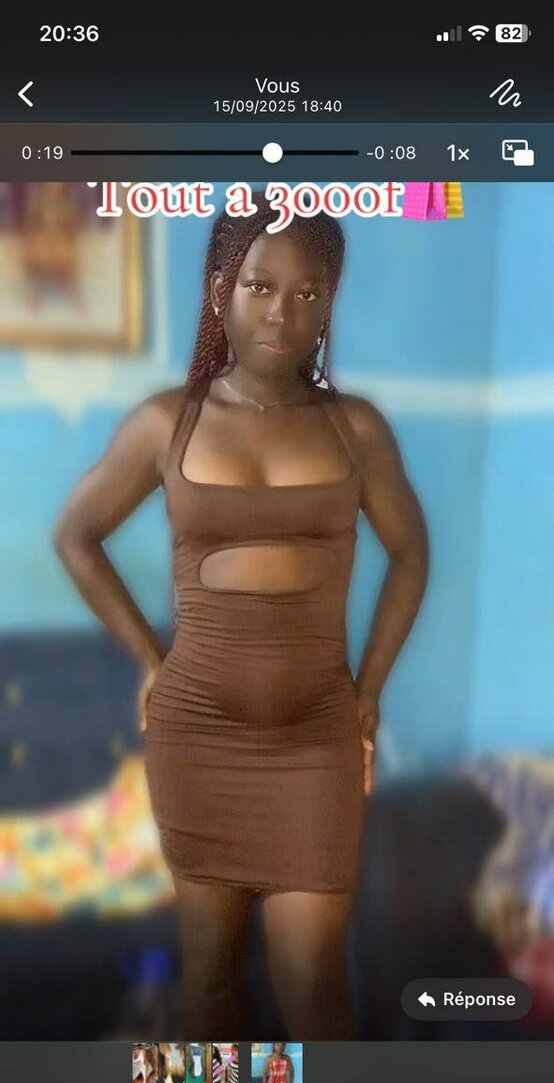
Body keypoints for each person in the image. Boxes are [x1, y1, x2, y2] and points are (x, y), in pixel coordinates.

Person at [53, 191, 429, 1040]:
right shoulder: (168, 422)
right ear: (221, 287)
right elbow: (76, 537)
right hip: (199, 739)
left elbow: (412, 555)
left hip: (316, 743)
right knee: (212, 983)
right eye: (260, 286)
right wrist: (150, 659)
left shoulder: (356, 430)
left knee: (314, 990)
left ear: (329, 305)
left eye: (308, 293)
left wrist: (369, 690)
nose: (282, 313)